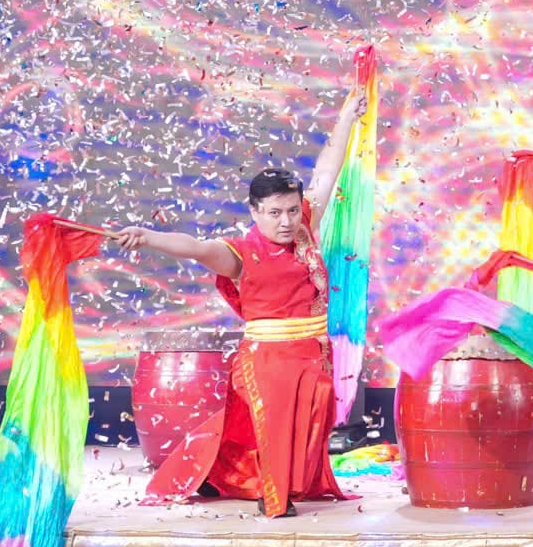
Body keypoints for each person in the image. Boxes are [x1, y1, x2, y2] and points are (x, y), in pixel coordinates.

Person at [115, 90, 362, 517]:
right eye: (274, 213)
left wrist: (346, 119)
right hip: (268, 359)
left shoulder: (304, 228)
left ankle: (240, 479)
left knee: (305, 430)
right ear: (254, 212)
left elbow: (327, 170)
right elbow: (195, 247)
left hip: (312, 353)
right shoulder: (240, 253)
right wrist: (148, 236)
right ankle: (273, 498)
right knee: (274, 428)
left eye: (291, 210)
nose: (286, 221)